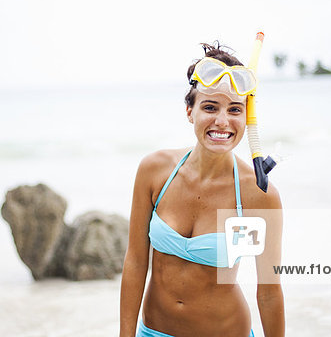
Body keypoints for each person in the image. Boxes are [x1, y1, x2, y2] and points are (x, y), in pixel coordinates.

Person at [119, 43, 285, 337]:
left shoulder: (258, 194)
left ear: (246, 117)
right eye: (210, 107)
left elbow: (268, 291)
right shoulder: (155, 171)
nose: (222, 121)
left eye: (235, 110)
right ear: (189, 111)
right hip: (153, 332)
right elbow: (135, 261)